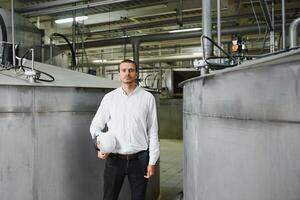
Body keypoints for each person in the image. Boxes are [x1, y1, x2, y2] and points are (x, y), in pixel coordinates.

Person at [90, 59, 160, 200]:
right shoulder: (109, 98)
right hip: (115, 160)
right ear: (119, 74)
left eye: (131, 70)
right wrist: (100, 145)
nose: (127, 73)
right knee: (109, 197)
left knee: (139, 197)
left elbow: (153, 132)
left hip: (140, 159)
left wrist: (152, 161)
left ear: (136, 73)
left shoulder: (147, 98)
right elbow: (95, 126)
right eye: (124, 70)